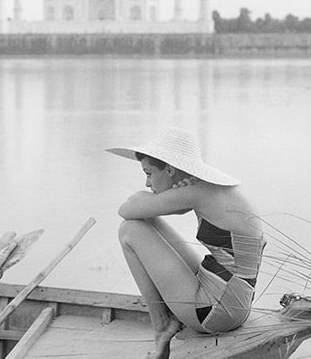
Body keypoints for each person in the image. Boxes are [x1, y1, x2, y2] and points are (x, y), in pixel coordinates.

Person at [106, 127, 265, 359]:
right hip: (234, 302)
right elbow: (147, 210)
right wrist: (162, 197)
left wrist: (147, 197)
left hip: (217, 311)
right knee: (146, 222)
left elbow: (126, 210)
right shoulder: (208, 189)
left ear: (169, 169)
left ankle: (162, 326)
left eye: (149, 173)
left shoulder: (195, 193)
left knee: (129, 229)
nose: (147, 183)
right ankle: (166, 322)